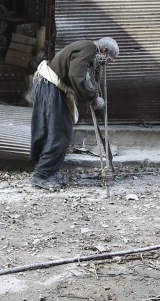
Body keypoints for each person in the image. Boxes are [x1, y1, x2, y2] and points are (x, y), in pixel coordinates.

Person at [29, 37, 120, 190]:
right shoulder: (90, 48)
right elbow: (76, 74)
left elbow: (79, 74)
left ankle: (49, 172)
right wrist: (92, 98)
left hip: (50, 87)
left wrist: (91, 92)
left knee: (55, 132)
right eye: (109, 60)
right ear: (104, 51)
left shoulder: (86, 48)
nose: (107, 63)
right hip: (50, 87)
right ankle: (41, 175)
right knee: (60, 134)